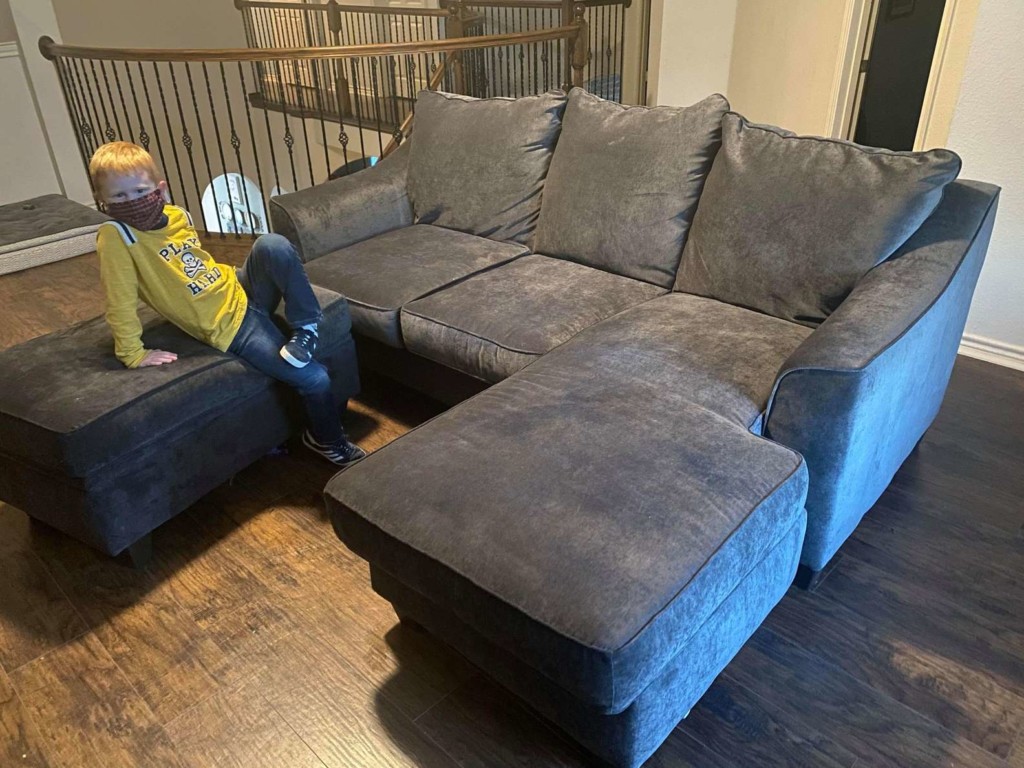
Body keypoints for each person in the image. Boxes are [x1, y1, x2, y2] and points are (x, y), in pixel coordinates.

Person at [89, 141, 365, 466]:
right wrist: (132, 353)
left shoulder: (176, 215)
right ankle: (327, 441)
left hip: (237, 286)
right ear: (103, 201)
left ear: (160, 189)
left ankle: (307, 328)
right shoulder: (117, 237)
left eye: (139, 191)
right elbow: (119, 300)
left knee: (272, 244)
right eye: (119, 196)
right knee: (315, 379)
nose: (132, 202)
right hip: (228, 326)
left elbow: (196, 264)